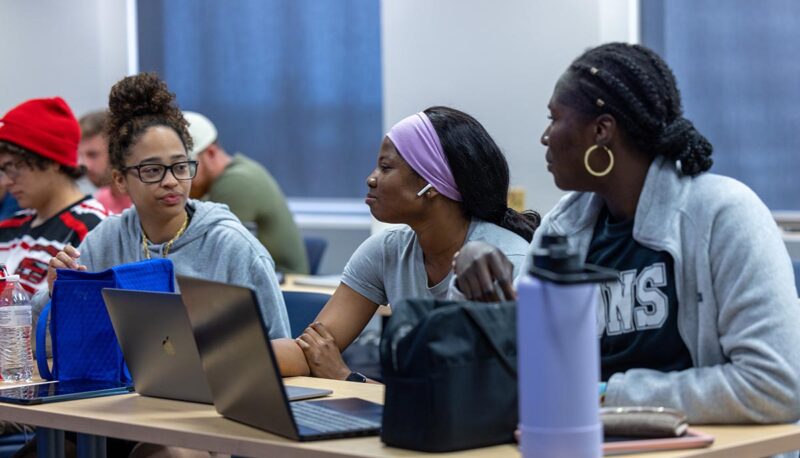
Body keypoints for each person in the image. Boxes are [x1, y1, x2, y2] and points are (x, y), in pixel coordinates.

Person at [453, 43, 800, 424]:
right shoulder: (563, 227)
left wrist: (606, 396)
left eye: (553, 118)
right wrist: (472, 274)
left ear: (602, 131)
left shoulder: (723, 213)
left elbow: (777, 385)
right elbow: (519, 362)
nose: (545, 136)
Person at [275, 106, 540, 380]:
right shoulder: (386, 250)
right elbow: (310, 351)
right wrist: (233, 358)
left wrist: (348, 379)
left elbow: (485, 393)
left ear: (432, 183)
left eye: (386, 167)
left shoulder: (504, 263)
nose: (371, 178)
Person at [42, 73, 290, 339]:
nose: (171, 181)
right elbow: (46, 345)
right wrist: (58, 293)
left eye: (180, 167)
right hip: (123, 381)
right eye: (152, 170)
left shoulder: (231, 246)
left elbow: (279, 350)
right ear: (120, 179)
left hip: (216, 381)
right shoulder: (105, 240)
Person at [0, 97, 108, 297]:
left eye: (15, 167)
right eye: (3, 170)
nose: (7, 181)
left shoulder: (92, 227)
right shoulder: (8, 228)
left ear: (52, 161)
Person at [184, 111, 308, 274]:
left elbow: (210, 254)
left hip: (282, 284)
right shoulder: (236, 174)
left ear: (211, 154)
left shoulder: (236, 182)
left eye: (184, 167)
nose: (179, 178)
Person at [78, 110, 133, 214]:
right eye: (81, 155)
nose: (85, 165)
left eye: (93, 155)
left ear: (116, 151)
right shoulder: (100, 201)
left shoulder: (145, 200)